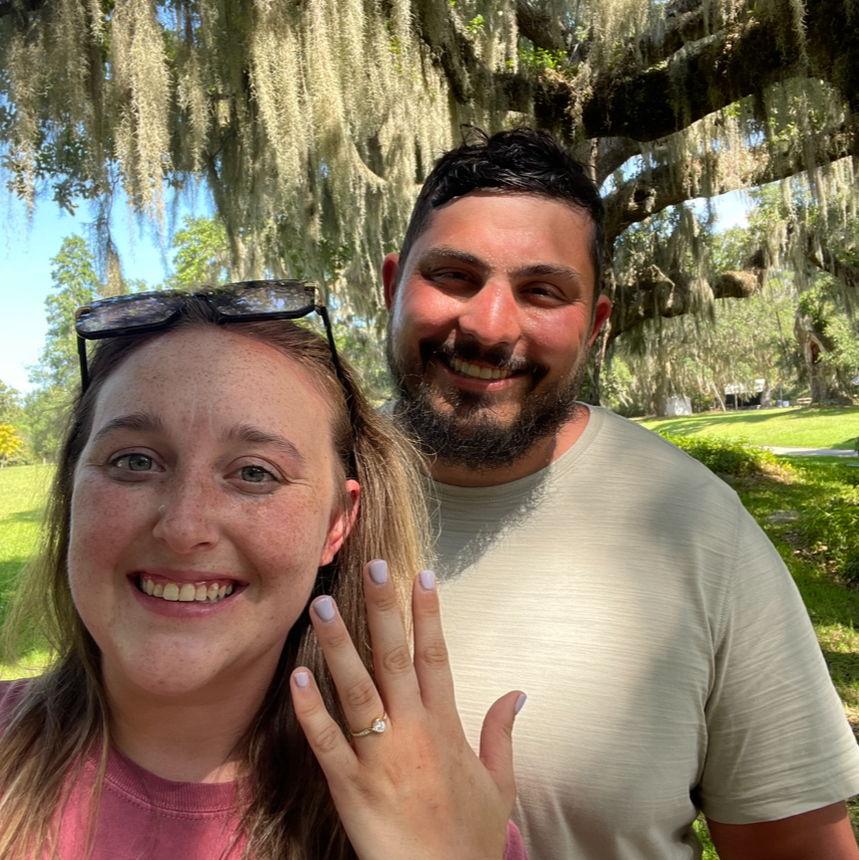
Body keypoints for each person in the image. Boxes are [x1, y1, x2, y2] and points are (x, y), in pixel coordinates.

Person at [383, 129, 859, 859]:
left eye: (542, 291)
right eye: (452, 276)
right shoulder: (273, 492)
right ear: (390, 288)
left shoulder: (697, 529)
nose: (486, 325)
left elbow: (796, 849)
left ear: (595, 328)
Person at [0, 281, 528, 859]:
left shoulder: (438, 815)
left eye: (255, 473)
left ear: (337, 524)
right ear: (72, 489)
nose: (183, 527)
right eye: (134, 460)